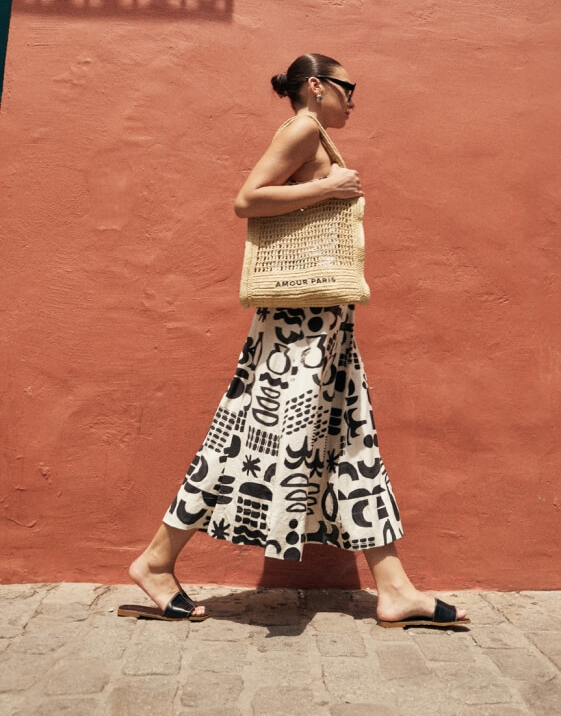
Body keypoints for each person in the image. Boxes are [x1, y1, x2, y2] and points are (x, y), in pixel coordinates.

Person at [119, 54, 468, 628]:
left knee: (353, 443)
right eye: (348, 87)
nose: (353, 98)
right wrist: (330, 187)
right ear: (316, 86)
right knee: (242, 436)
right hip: (297, 328)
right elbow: (247, 199)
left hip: (325, 325)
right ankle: (156, 561)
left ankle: (395, 588)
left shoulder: (315, 134)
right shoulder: (304, 128)